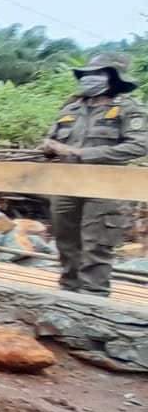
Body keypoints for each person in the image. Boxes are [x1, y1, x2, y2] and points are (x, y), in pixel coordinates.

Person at [41, 53, 148, 297]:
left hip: (105, 186)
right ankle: (68, 293)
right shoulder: (70, 108)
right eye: (87, 74)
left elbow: (138, 146)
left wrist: (81, 153)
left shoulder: (129, 109)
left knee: (97, 244)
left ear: (114, 77)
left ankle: (93, 299)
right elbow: (52, 139)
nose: (90, 79)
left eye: (98, 73)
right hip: (67, 184)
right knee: (65, 241)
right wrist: (49, 146)